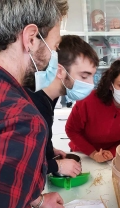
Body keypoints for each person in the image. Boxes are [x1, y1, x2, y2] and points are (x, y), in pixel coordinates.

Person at [0, 0, 68, 208]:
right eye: (54, 47)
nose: (53, 59)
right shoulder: (20, 119)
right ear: (31, 38)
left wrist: (37, 200)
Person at [24, 35, 99, 177]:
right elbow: (21, 163)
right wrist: (56, 165)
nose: (91, 84)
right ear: (60, 71)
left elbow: (36, 141)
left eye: (92, 77)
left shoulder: (50, 97)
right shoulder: (32, 105)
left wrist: (49, 150)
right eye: (84, 76)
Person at [66, 60, 120, 162]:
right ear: (110, 85)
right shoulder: (88, 100)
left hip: (109, 158)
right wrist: (93, 153)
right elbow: (72, 130)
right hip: (82, 154)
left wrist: (111, 152)